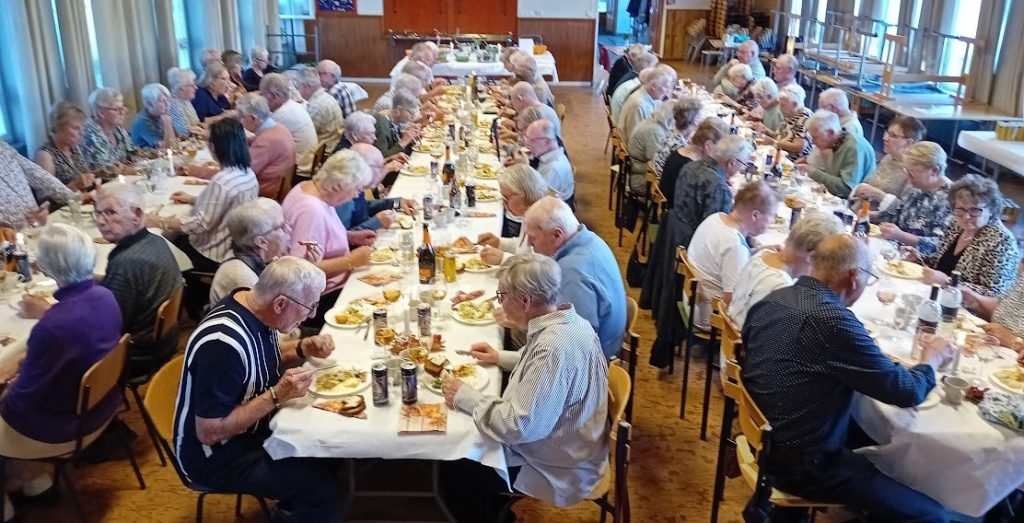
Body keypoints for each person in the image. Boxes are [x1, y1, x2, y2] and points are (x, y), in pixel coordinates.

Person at [742, 234, 953, 522]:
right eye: (868, 278)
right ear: (854, 277)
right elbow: (907, 392)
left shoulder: (775, 298)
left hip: (763, 438)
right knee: (934, 516)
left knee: (871, 432)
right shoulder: (833, 321)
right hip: (801, 465)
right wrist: (932, 360)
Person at [439, 253, 609, 522]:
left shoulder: (552, 348)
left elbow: (518, 426)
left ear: (525, 301)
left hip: (560, 466)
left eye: (502, 296)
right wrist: (499, 357)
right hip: (576, 442)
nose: (500, 303)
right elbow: (544, 369)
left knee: (455, 469)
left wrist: (465, 397)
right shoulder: (569, 321)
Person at [174, 257, 340, 523]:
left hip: (251, 431)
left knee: (331, 448)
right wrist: (277, 395)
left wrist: (301, 348)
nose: (311, 315)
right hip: (217, 457)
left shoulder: (255, 304)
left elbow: (258, 357)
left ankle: (294, 508)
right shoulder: (222, 344)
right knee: (319, 488)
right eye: (309, 307)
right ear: (280, 304)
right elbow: (209, 432)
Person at [3, 225, 124, 520]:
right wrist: (26, 366)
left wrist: (11, 383)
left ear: (44, 267)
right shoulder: (105, 295)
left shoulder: (52, 326)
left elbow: (20, 404)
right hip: (103, 404)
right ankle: (35, 482)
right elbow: (75, 352)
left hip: (69, 424)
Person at [642, 135, 752, 370]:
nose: (743, 169)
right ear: (732, 162)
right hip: (693, 245)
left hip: (676, 233)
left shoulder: (691, 165)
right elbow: (719, 229)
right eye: (744, 164)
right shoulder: (718, 186)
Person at [88, 183, 182, 379]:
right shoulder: (155, 240)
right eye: (97, 213)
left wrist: (48, 311)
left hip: (137, 355)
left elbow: (108, 325)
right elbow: (131, 288)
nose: (101, 221)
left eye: (110, 212)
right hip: (165, 342)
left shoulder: (126, 262)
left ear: (137, 214)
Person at [523, 197, 626, 359]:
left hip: (596, 358)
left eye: (533, 237)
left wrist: (524, 322)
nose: (529, 243)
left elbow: (572, 345)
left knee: (513, 334)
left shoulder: (572, 273)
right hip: (605, 340)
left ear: (557, 234)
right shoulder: (590, 239)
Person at [149, 119, 259, 271]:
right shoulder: (247, 172)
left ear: (213, 147)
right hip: (234, 246)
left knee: (161, 246)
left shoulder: (222, 181)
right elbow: (225, 204)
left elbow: (200, 224)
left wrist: (160, 221)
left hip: (213, 253)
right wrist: (192, 199)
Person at [282, 149, 375, 323]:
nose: (356, 195)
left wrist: (350, 237)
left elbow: (318, 236)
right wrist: (351, 261)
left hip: (335, 284)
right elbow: (301, 271)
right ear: (338, 186)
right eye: (356, 189)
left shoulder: (309, 188)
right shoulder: (311, 210)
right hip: (323, 297)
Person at [688, 182, 778, 330]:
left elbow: (728, 258)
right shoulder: (735, 246)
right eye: (771, 217)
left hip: (692, 300)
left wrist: (759, 251)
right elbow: (732, 301)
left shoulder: (716, 218)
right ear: (755, 215)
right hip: (708, 314)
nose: (771, 222)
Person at [729, 211, 843, 327]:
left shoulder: (763, 254)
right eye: (826, 260)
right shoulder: (782, 287)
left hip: (733, 324)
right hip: (744, 335)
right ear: (811, 256)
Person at [917, 174, 1019, 296]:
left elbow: (995, 295)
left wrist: (948, 282)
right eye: (960, 209)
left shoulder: (1003, 242)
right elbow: (939, 261)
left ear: (991, 210)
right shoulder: (956, 224)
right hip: (933, 293)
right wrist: (918, 258)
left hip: (959, 305)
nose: (966, 216)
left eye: (975, 210)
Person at [211, 198, 323, 304]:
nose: (289, 229)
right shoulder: (243, 278)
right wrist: (308, 276)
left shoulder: (265, 258)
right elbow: (278, 312)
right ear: (262, 242)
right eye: (282, 226)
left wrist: (305, 267)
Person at [870, 142, 953, 253]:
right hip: (896, 248)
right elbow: (900, 213)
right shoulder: (920, 187)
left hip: (917, 257)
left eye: (912, 174)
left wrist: (900, 235)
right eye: (907, 172)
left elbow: (939, 244)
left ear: (934, 171)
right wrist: (871, 215)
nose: (908, 179)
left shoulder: (950, 200)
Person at [477, 164, 551, 265]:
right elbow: (523, 247)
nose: (504, 203)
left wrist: (503, 259)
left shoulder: (544, 222)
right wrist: (499, 243)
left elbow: (537, 267)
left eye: (507, 197)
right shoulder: (529, 214)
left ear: (526, 194)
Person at [851, 116, 926, 208]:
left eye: (893, 135)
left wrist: (879, 195)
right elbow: (869, 181)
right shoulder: (889, 157)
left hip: (878, 216)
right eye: (886, 132)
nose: (885, 137)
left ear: (909, 142)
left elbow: (905, 209)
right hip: (860, 209)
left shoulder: (913, 171)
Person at [798, 110, 876, 198]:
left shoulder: (853, 147)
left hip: (858, 201)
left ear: (830, 133)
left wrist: (813, 172)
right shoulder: (835, 143)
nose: (812, 142)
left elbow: (846, 189)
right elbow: (832, 176)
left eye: (815, 137)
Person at [336, 143, 413, 231]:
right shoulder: (342, 198)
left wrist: (397, 202)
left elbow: (365, 208)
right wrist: (376, 222)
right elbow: (344, 236)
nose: (383, 170)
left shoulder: (357, 186)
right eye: (380, 167)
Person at [658, 117, 729, 211]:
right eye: (719, 148)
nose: (719, 153)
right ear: (708, 145)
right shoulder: (690, 168)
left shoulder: (681, 151)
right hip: (675, 212)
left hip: (669, 208)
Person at [0, 141, 76, 230]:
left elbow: (38, 175)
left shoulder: (3, 147)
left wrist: (73, 197)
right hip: (10, 235)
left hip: (37, 227)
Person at [234, 93, 296, 199]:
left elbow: (240, 172)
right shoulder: (279, 128)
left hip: (264, 192)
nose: (240, 121)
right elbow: (257, 141)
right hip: (277, 186)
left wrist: (203, 170)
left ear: (253, 118)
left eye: (241, 117)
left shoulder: (266, 141)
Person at [260, 73, 318, 175]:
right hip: (306, 162)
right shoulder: (293, 105)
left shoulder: (280, 116)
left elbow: (260, 142)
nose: (261, 99)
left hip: (298, 171)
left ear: (274, 96)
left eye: (262, 94)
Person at [961, 259, 1024, 352]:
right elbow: (1003, 306)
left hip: (1011, 357)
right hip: (991, 347)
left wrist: (1013, 341)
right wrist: (974, 301)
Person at [34, 101, 96, 191]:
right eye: (76, 128)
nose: (82, 133)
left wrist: (101, 172)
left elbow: (87, 176)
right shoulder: (45, 155)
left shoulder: (74, 148)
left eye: (82, 128)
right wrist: (75, 185)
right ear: (58, 127)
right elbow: (46, 195)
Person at [616, 64, 677, 143]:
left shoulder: (653, 98)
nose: (668, 91)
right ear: (654, 86)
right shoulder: (638, 105)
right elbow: (635, 137)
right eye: (666, 87)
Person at [522, 120, 574, 207]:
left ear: (548, 142)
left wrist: (523, 168)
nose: (527, 144)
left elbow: (535, 200)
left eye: (532, 141)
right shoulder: (546, 155)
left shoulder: (553, 169)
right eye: (526, 138)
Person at [82, 87, 136, 172]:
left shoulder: (118, 129)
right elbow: (107, 171)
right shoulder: (90, 135)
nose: (122, 113)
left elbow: (133, 154)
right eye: (116, 109)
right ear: (101, 112)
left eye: (123, 108)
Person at [626, 101, 675, 194]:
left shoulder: (651, 122)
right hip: (639, 178)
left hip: (635, 170)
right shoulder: (655, 131)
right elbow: (656, 161)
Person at [651, 96, 702, 176]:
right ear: (696, 120)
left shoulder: (670, 132)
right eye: (701, 116)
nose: (702, 118)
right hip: (662, 180)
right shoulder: (681, 148)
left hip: (655, 177)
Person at [295, 66, 343, 150]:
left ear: (306, 86)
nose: (297, 89)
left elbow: (304, 135)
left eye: (298, 86)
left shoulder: (316, 106)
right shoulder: (326, 97)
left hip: (322, 151)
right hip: (331, 144)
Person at [371, 88, 421, 158]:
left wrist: (407, 137)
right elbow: (381, 157)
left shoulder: (393, 119)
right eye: (411, 113)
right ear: (398, 109)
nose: (412, 117)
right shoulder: (381, 124)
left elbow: (393, 142)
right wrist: (404, 142)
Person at [609, 52, 659, 121]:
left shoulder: (631, 77)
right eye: (655, 67)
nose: (656, 72)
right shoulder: (637, 87)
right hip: (620, 123)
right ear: (647, 69)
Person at [130, 83, 177, 149]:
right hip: (147, 155)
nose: (167, 104)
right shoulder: (142, 121)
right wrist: (167, 122)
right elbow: (168, 147)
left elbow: (176, 138)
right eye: (162, 101)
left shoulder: (160, 114)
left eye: (168, 100)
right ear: (148, 104)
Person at [167, 67, 207, 139]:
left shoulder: (185, 101)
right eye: (192, 85)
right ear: (181, 88)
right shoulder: (173, 105)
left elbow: (195, 124)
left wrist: (200, 126)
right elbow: (185, 133)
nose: (196, 88)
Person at [774, 90, 814, 159]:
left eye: (783, 105)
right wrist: (766, 131)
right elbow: (782, 137)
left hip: (792, 161)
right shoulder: (790, 115)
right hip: (779, 155)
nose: (779, 108)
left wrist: (774, 142)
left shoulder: (804, 119)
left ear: (794, 104)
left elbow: (798, 147)